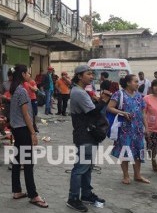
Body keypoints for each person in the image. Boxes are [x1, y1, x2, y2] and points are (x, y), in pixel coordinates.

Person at [66, 65, 107, 212]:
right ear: (79, 76)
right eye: (88, 74)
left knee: (87, 167)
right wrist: (103, 101)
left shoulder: (81, 91)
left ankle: (86, 194)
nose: (91, 76)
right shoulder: (79, 93)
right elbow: (93, 113)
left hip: (88, 134)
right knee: (81, 168)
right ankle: (73, 198)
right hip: (85, 134)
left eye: (92, 74)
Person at [9, 64, 48, 208]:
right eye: (28, 73)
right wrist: (33, 133)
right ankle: (33, 195)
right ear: (23, 74)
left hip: (16, 129)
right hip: (23, 130)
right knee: (28, 163)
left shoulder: (15, 89)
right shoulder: (22, 91)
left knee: (18, 160)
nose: (30, 75)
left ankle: (17, 191)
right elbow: (25, 114)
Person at [107, 74, 149, 185]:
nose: (137, 83)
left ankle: (137, 175)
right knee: (125, 152)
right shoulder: (118, 94)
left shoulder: (140, 96)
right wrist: (122, 112)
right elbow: (109, 107)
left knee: (138, 152)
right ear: (128, 83)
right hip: (124, 129)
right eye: (135, 81)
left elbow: (143, 113)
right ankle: (126, 176)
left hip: (138, 129)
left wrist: (146, 127)